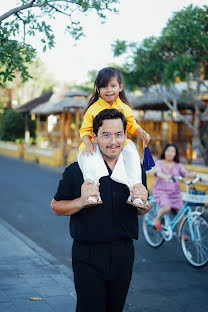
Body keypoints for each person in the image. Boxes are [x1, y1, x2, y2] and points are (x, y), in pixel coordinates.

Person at [51, 109, 149, 312]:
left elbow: (141, 211)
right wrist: (82, 201)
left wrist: (144, 203)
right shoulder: (77, 170)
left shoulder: (134, 170)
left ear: (126, 135)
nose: (114, 141)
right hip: (88, 254)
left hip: (124, 252)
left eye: (119, 134)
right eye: (106, 134)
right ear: (94, 137)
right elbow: (56, 207)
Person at [78, 67, 150, 208]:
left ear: (120, 87)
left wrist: (142, 133)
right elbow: (85, 130)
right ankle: (92, 193)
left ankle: (135, 191)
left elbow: (132, 125)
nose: (109, 90)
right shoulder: (93, 109)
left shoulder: (125, 108)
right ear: (98, 89)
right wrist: (88, 144)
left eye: (113, 85)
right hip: (95, 142)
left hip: (118, 144)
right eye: (104, 86)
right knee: (87, 158)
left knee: (132, 153)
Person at [153, 143, 196, 231]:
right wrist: (165, 176)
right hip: (162, 191)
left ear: (175, 153)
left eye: (172, 151)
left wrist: (195, 175)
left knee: (182, 214)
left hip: (175, 194)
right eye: (168, 151)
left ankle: (180, 235)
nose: (170, 153)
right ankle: (157, 218)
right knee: (167, 207)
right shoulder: (160, 163)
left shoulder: (178, 165)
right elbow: (157, 172)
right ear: (164, 152)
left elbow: (185, 173)